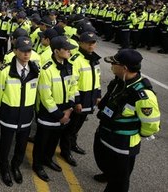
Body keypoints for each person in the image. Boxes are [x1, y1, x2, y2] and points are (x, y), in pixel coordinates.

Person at [94, 49, 160, 192]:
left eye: (114, 63)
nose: (111, 65)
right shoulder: (119, 81)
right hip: (106, 132)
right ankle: (108, 174)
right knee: (103, 160)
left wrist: (136, 132)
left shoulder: (143, 95)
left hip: (123, 143)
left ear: (124, 68)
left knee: (119, 181)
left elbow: (151, 124)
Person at [0, 36, 40, 187]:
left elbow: (37, 91)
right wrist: (3, 107)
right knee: (5, 144)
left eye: (29, 51)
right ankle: (4, 168)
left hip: (26, 115)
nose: (26, 54)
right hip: (9, 114)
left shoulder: (35, 70)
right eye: (23, 51)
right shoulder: (4, 70)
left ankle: (15, 166)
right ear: (14, 51)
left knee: (21, 145)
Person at [32, 36, 78, 182]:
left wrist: (69, 109)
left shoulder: (69, 66)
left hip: (65, 112)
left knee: (54, 140)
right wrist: (59, 115)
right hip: (50, 113)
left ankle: (48, 159)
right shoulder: (46, 69)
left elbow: (73, 88)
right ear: (57, 51)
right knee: (42, 141)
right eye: (66, 49)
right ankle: (37, 165)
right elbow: (46, 97)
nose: (69, 52)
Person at [59, 32, 102, 167]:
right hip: (81, 98)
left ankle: (73, 143)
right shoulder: (76, 59)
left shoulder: (94, 59)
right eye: (88, 42)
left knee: (78, 125)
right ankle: (65, 151)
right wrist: (76, 101)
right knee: (70, 127)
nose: (91, 45)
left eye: (93, 42)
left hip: (90, 96)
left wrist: (98, 95)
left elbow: (97, 78)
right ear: (81, 43)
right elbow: (73, 82)